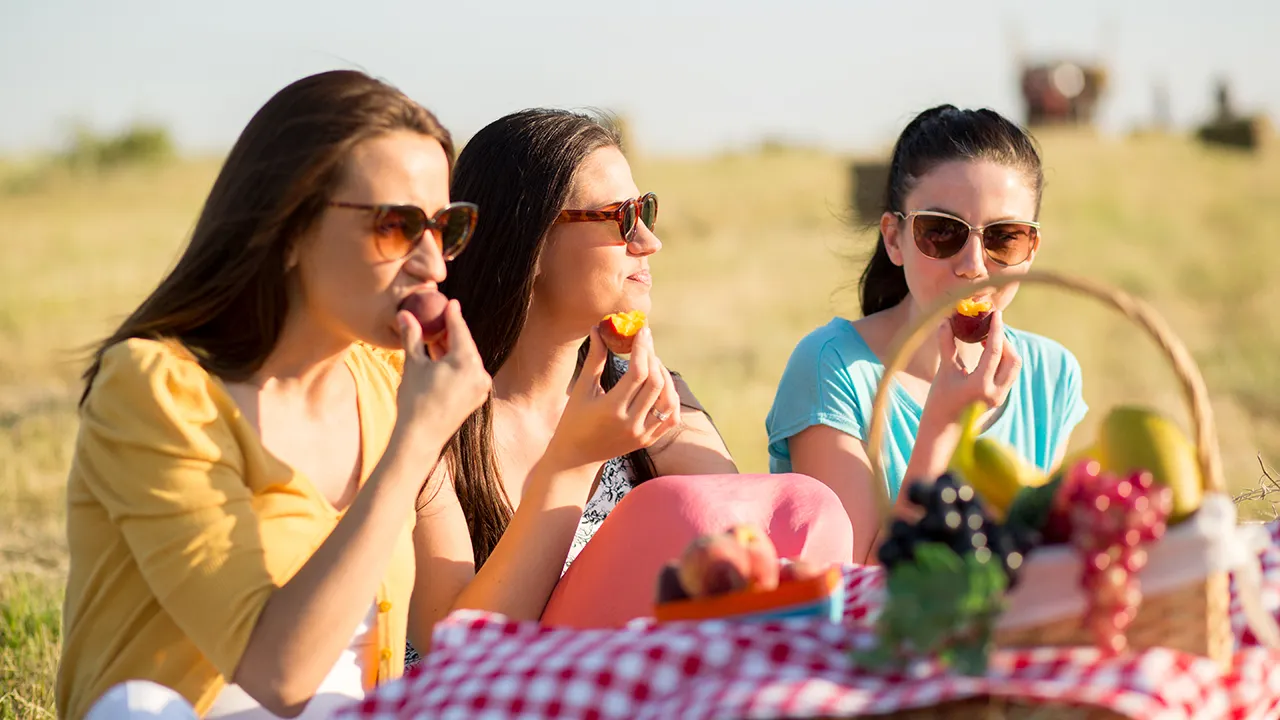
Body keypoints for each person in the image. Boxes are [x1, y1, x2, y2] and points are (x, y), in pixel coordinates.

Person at [57, 69, 492, 719]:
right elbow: (279, 674)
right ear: (290, 227)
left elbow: (457, 630)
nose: (433, 264)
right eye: (397, 226)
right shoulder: (155, 388)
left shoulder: (386, 380)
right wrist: (416, 441)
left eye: (445, 226)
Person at [403, 109, 742, 663]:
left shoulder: (648, 398)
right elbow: (455, 654)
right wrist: (575, 462)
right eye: (622, 217)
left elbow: (749, 557)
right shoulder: (432, 416)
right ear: (531, 244)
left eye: (646, 210)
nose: (650, 240)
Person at [765, 105, 1088, 563]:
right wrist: (942, 423)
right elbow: (856, 588)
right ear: (894, 239)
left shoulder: (1052, 376)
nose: (974, 265)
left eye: (1004, 237)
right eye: (941, 232)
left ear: (1031, 249)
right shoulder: (830, 367)